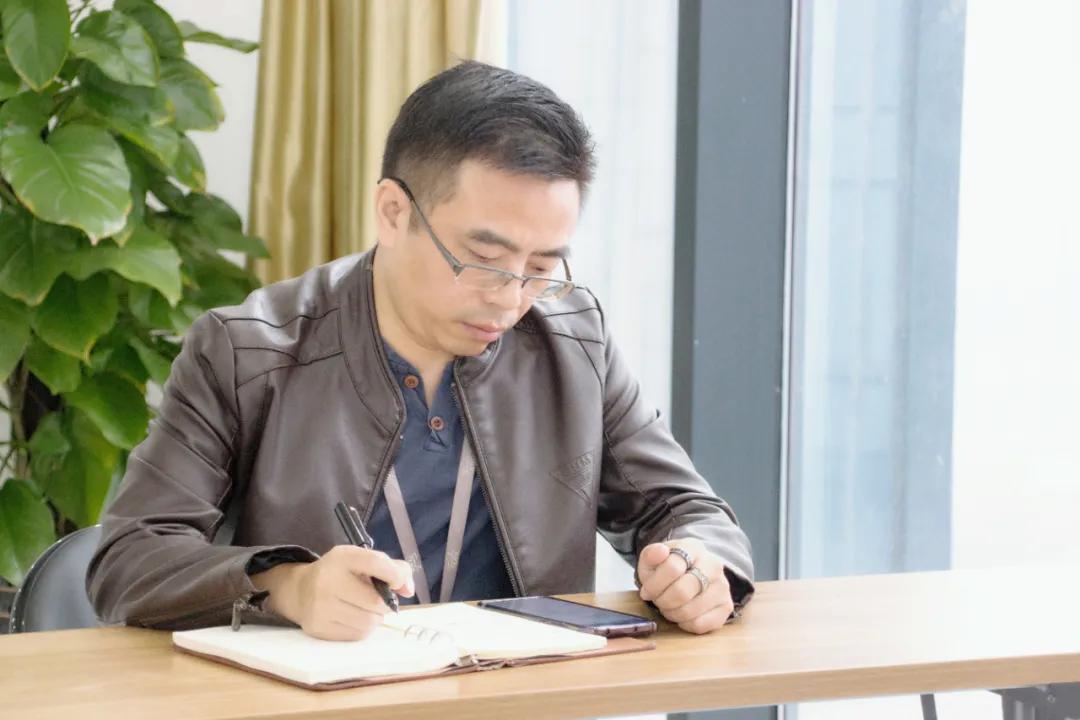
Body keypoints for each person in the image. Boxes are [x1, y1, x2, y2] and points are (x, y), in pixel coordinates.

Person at [87, 61, 754, 641]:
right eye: (484, 259)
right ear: (393, 212)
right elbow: (130, 559)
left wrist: (697, 566)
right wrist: (288, 586)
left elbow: (684, 510)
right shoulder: (249, 351)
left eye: (541, 267)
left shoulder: (574, 341)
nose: (511, 299)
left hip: (519, 697)